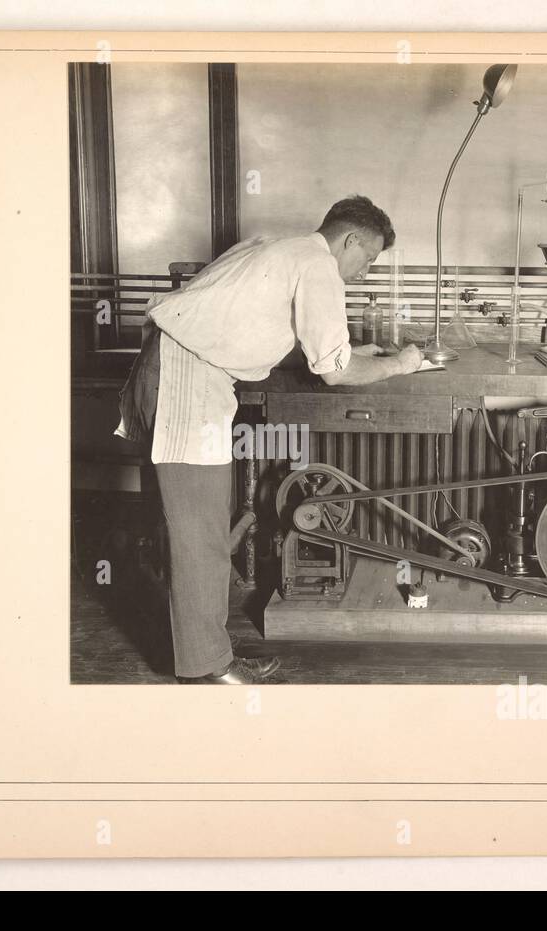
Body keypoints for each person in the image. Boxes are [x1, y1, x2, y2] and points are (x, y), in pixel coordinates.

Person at [115, 195, 423, 684]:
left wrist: (347, 350)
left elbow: (255, 328)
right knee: (200, 535)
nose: (365, 271)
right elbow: (335, 372)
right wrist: (398, 365)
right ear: (349, 241)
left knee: (198, 527)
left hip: (167, 368)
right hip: (186, 384)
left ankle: (203, 652)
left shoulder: (278, 247)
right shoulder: (318, 265)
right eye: (368, 258)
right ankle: (205, 669)